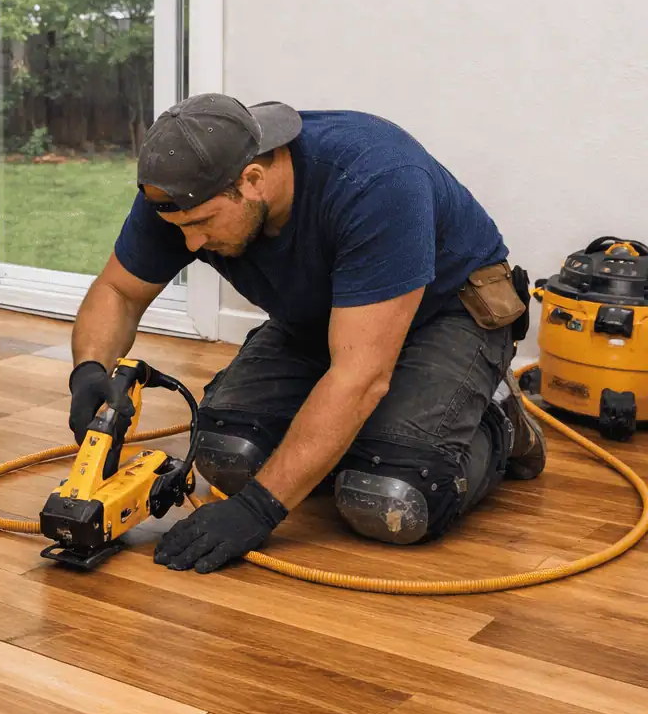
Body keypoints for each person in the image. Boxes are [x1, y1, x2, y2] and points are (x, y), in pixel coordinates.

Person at [68, 93, 544, 574]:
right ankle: (378, 430)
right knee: (225, 457)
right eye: (180, 228)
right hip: (330, 319)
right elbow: (119, 292)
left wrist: (259, 510)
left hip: (448, 310)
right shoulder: (181, 191)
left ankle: (497, 419)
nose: (191, 244)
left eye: (202, 224)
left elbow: (361, 375)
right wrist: (89, 370)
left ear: (252, 180)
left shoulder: (376, 181)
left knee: (392, 499)